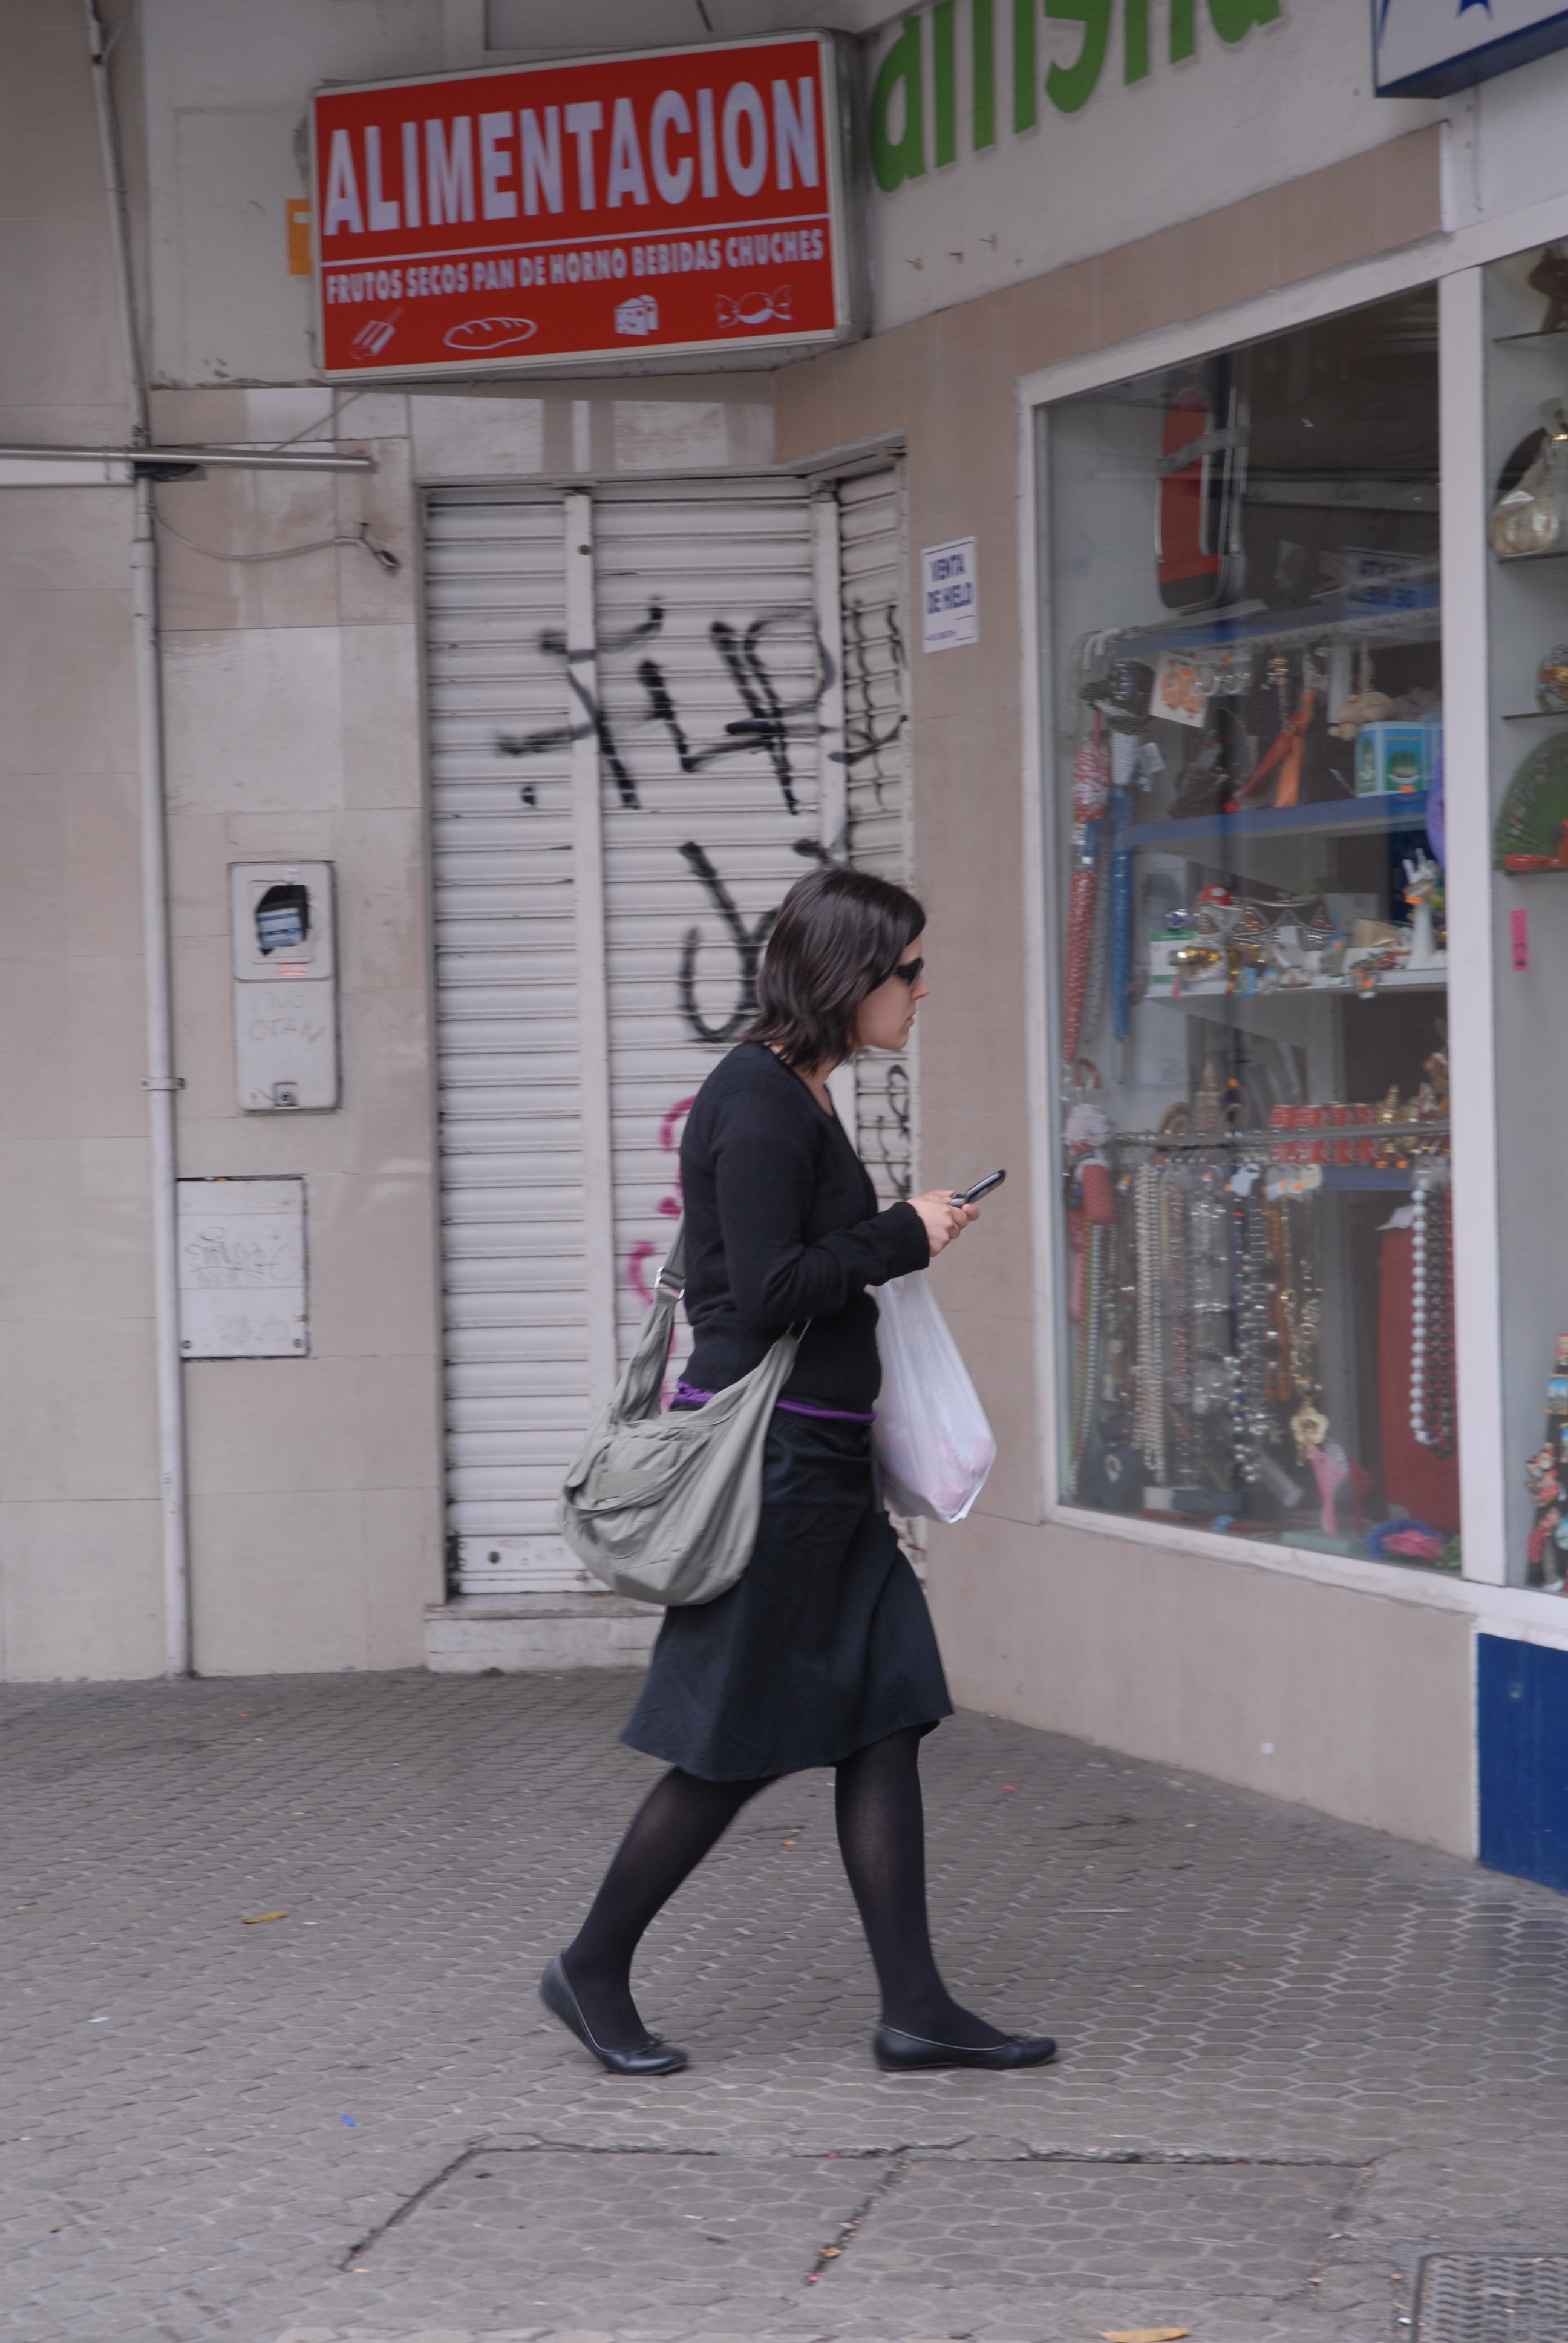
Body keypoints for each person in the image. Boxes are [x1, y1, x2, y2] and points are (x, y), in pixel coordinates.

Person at [540, 865, 1057, 2077]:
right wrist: (901, 1234)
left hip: (821, 1460)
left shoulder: (797, 1091)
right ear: (852, 974)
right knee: (734, 1740)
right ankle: (592, 1965)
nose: (922, 990)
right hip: (770, 1472)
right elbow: (772, 1290)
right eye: (909, 970)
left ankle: (915, 2008)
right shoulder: (763, 1102)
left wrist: (890, 1236)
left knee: (887, 1709)